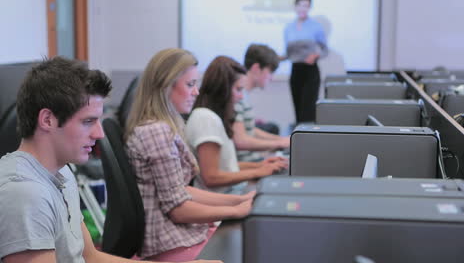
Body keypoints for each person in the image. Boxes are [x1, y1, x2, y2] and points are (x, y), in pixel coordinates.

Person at [0, 56, 219, 263]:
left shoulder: (62, 173)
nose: (99, 134)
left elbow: (90, 257)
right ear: (47, 119)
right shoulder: (24, 194)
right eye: (88, 121)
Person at [125, 49, 255, 262]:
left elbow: (182, 191)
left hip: (179, 235)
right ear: (166, 87)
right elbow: (178, 209)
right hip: (169, 241)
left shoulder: (164, 126)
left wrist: (238, 201)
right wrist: (234, 211)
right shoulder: (156, 131)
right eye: (190, 84)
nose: (196, 92)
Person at [185, 56, 288, 194]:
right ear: (222, 90)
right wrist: (258, 171)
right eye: (238, 89)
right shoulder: (205, 118)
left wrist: (260, 165)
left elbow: (227, 167)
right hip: (223, 201)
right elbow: (211, 177)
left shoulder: (214, 117)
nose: (241, 97)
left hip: (232, 192)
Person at [233, 44, 290, 162]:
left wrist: (280, 140)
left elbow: (250, 130)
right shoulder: (239, 95)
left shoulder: (244, 94)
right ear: (256, 68)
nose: (272, 78)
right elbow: (241, 140)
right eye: (270, 72)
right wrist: (279, 143)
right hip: (248, 164)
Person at [283, 0, 328, 123]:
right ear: (295, 7)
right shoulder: (289, 27)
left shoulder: (315, 26)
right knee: (298, 109)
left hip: (310, 71)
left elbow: (325, 50)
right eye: (300, 5)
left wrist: (315, 55)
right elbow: (288, 54)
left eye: (306, 6)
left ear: (309, 8)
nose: (303, 8)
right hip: (296, 70)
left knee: (308, 111)